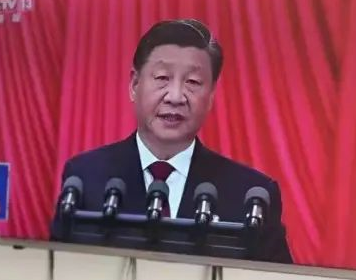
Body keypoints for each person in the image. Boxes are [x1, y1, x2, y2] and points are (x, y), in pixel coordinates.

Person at [50, 18, 293, 263]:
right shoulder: (86, 177)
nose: (176, 97)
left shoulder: (250, 195)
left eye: (193, 82)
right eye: (162, 77)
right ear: (134, 85)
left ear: (211, 95)